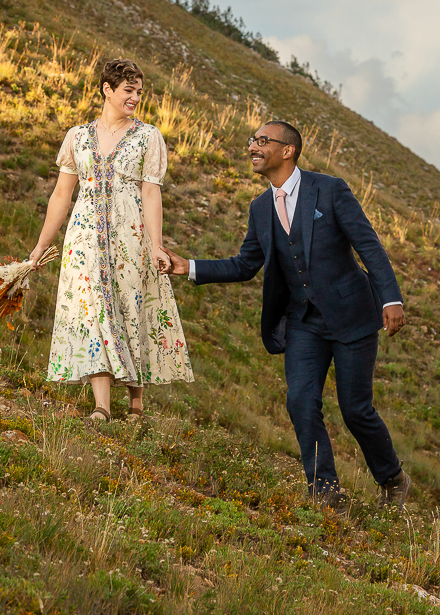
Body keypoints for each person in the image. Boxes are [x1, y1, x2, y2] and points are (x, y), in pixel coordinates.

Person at [163, 121, 412, 510]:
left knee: (355, 410)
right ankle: (326, 492)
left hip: (352, 316)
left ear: (287, 150)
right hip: (303, 322)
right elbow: (246, 264)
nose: (253, 147)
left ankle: (392, 478)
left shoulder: (330, 190)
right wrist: (188, 267)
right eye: (252, 141)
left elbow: (369, 247)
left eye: (262, 141)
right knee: (300, 400)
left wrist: (390, 300)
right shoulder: (260, 208)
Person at [28, 58, 193, 421]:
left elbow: (151, 193)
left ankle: (136, 400)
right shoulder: (77, 137)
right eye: (128, 90)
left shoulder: (148, 137)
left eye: (139, 92)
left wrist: (156, 245)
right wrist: (40, 246)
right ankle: (101, 405)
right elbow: (61, 195)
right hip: (84, 237)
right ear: (107, 89)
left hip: (130, 236)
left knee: (132, 305)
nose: (135, 98)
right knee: (92, 312)